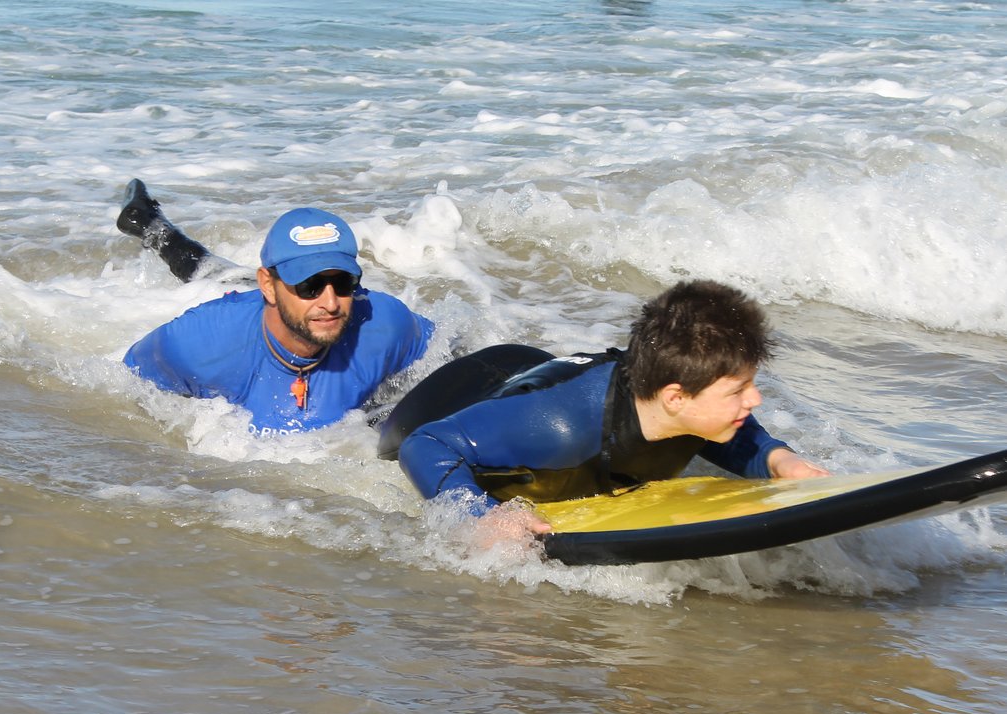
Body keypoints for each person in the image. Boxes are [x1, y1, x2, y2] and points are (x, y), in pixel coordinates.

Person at [387, 280, 827, 539]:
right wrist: (480, 517)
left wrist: (777, 458)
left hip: (541, 378)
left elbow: (721, 428)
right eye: (739, 390)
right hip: (462, 393)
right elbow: (425, 445)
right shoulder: (559, 430)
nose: (754, 401)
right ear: (675, 398)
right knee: (371, 438)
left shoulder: (681, 403)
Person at [117, 180, 435, 434]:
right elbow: (129, 380)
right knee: (206, 270)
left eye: (343, 283)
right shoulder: (197, 341)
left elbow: (449, 353)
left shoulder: (384, 323)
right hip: (243, 304)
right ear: (269, 285)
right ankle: (148, 223)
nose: (330, 302)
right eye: (309, 285)